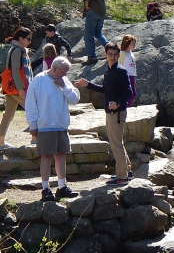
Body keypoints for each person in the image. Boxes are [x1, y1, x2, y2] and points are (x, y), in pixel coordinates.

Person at [75, 42, 132, 186]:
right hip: (111, 112)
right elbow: (105, 90)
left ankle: (122, 177)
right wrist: (88, 84)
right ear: (105, 55)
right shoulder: (109, 71)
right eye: (110, 54)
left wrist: (118, 103)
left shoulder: (121, 71)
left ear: (118, 55)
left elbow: (129, 93)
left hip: (117, 113)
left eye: (115, 54)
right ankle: (127, 171)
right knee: (118, 143)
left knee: (116, 144)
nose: (112, 57)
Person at [25, 57, 80, 201]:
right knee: (46, 157)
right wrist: (33, 125)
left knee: (61, 155)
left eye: (66, 72)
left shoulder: (64, 80)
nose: (65, 75)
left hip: (61, 125)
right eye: (63, 72)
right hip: (45, 125)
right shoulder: (39, 80)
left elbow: (75, 99)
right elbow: (31, 103)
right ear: (54, 68)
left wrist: (64, 86)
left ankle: (62, 187)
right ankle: (45, 189)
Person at [0, 27, 36, 148]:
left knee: (8, 115)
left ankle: (0, 142)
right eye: (28, 39)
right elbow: (15, 71)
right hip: (17, 88)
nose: (30, 41)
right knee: (34, 111)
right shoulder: (17, 50)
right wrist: (21, 89)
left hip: (10, 87)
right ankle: (35, 139)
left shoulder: (17, 49)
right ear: (20, 38)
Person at [79, 0, 108, 66]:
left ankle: (92, 57)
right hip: (102, 12)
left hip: (93, 12)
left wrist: (87, 3)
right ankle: (111, 48)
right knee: (98, 33)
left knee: (88, 36)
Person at [118, 35, 138, 107]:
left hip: (132, 76)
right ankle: (124, 107)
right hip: (126, 76)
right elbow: (119, 66)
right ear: (127, 43)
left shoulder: (130, 53)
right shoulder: (122, 53)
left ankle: (126, 107)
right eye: (133, 43)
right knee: (130, 94)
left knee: (133, 94)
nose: (134, 45)